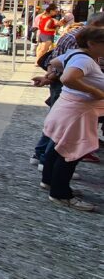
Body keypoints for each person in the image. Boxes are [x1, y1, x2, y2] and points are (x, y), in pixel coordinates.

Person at [39, 27, 104, 212]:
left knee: (59, 145)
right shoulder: (84, 59)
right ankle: (60, 193)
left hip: (68, 107)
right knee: (71, 151)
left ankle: (49, 182)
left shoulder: (75, 54)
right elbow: (68, 78)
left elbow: (54, 62)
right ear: (92, 44)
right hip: (77, 111)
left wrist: (48, 77)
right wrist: (94, 91)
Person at [30, 12, 104, 169]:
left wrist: (49, 77)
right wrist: (94, 90)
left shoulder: (77, 37)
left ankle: (44, 159)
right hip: (72, 94)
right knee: (62, 129)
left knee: (58, 126)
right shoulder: (80, 41)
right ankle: (47, 162)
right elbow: (67, 74)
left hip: (69, 91)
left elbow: (58, 61)